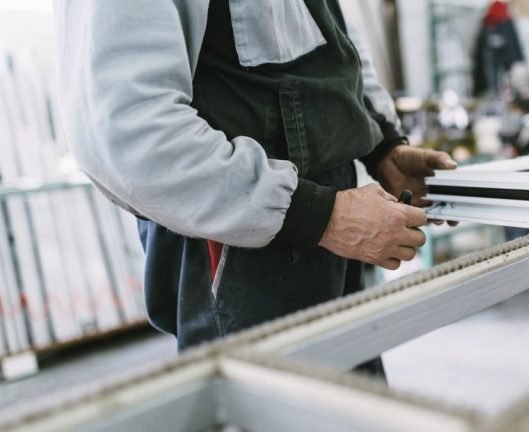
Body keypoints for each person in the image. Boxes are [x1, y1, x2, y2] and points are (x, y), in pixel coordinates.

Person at [53, 0, 457, 371]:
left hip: (330, 216)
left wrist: (382, 146)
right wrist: (321, 216)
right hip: (240, 234)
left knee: (348, 402)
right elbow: (129, 128)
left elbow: (333, 37)